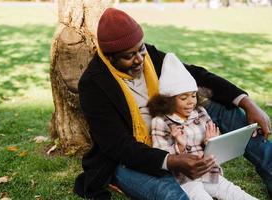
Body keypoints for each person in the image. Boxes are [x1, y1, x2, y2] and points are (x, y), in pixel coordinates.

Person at [73, 7, 272, 200]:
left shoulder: (149, 56)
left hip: (175, 127)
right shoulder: (93, 84)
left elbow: (196, 75)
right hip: (131, 160)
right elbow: (118, 146)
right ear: (110, 57)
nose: (139, 60)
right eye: (128, 56)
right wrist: (171, 161)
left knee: (228, 110)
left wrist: (246, 102)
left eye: (140, 49)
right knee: (174, 195)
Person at [148, 53, 258, 200]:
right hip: (184, 179)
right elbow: (162, 159)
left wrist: (211, 142)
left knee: (234, 192)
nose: (191, 102)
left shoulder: (199, 112)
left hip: (208, 172)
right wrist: (179, 146)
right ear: (168, 100)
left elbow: (213, 147)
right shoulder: (160, 121)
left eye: (193, 95)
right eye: (184, 98)